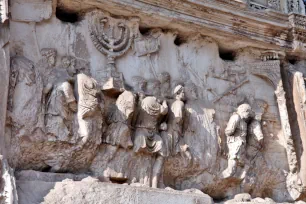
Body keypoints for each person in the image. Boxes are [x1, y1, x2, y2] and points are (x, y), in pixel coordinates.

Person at [222, 103, 253, 178]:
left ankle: (240, 178)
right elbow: (228, 131)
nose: (249, 115)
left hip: (241, 145)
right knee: (232, 165)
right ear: (244, 111)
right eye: (248, 112)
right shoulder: (236, 117)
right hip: (235, 144)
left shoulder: (243, 121)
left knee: (247, 164)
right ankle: (223, 177)